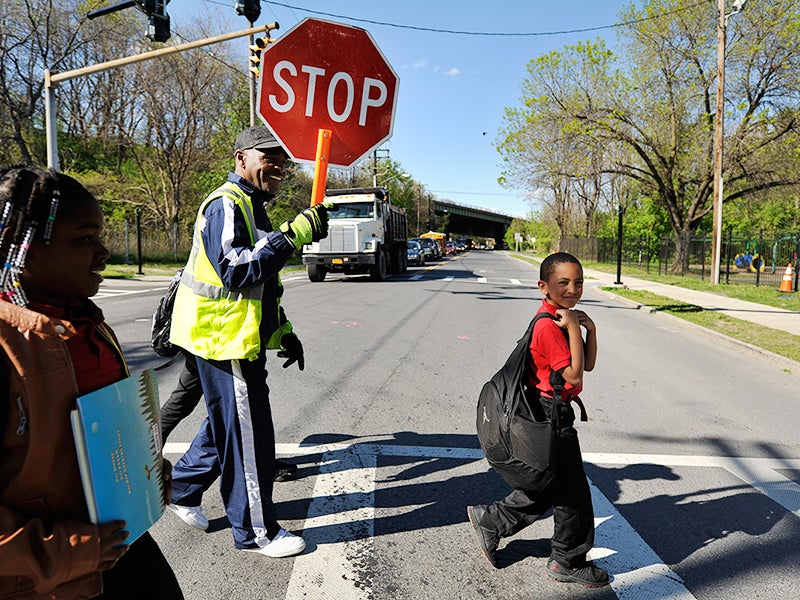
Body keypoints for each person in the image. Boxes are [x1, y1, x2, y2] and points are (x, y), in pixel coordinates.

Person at [0, 166, 182, 599]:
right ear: (21, 249)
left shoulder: (85, 323)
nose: (103, 254)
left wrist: (145, 475)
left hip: (117, 545)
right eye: (84, 240)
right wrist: (65, 552)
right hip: (47, 578)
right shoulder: (8, 343)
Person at [166, 126, 330, 557]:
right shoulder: (227, 202)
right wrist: (292, 235)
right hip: (221, 340)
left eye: (283, 160)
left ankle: (181, 489)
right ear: (242, 158)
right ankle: (255, 532)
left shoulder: (254, 207)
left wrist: (283, 332)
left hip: (234, 338)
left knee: (236, 423)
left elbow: (263, 288)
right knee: (247, 431)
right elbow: (235, 270)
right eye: (268, 157)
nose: (278, 166)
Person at [466, 252, 609, 588]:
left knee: (552, 485)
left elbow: (587, 364)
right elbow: (573, 377)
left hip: (554, 413)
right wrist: (574, 326)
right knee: (573, 493)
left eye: (578, 282)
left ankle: (492, 520)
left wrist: (590, 329)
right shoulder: (549, 325)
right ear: (543, 286)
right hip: (550, 417)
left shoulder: (561, 318)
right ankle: (567, 561)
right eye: (563, 283)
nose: (572, 289)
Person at [160, 353, 298, 482]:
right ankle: (182, 482)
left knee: (183, 399)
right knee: (238, 410)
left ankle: (146, 456)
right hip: (226, 347)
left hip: (201, 343)